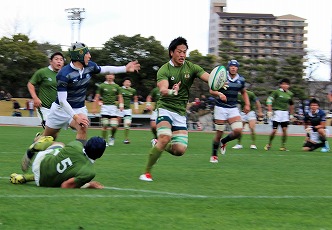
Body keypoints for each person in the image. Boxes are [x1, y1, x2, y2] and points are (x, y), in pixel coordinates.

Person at [21, 42, 140, 172]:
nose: (89, 55)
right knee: (48, 138)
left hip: (79, 108)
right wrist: (75, 117)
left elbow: (105, 69)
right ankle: (31, 151)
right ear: (79, 56)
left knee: (83, 126)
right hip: (60, 110)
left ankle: (78, 163)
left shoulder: (89, 66)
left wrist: (125, 68)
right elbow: (62, 101)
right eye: (87, 53)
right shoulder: (64, 74)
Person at [139, 37, 222, 182]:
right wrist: (173, 91)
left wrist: (218, 83)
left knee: (179, 150)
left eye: (184, 52)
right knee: (165, 137)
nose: (182, 55)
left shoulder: (191, 67)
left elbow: (209, 78)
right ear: (172, 52)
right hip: (165, 108)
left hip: (180, 113)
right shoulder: (164, 69)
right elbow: (163, 89)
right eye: (179, 51)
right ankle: (146, 173)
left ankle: (157, 144)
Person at [10, 136, 106, 189]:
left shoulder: (76, 145)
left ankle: (37, 143)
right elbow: (65, 186)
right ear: (100, 155)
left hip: (39, 163)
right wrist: (89, 184)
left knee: (59, 145)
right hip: (42, 182)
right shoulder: (90, 172)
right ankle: (37, 143)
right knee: (60, 149)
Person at [209, 60, 250, 163]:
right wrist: (219, 94)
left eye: (235, 66)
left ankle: (224, 141)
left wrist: (247, 104)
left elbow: (244, 92)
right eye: (231, 66)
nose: (233, 68)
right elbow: (211, 90)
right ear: (228, 67)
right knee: (219, 132)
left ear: (237, 68)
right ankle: (214, 155)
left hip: (233, 108)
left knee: (238, 131)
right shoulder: (222, 77)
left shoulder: (241, 80)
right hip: (220, 107)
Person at [27, 52, 65, 128]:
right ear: (50, 61)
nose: (59, 61)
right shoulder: (42, 72)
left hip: (58, 109)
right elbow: (30, 84)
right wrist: (35, 98)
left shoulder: (64, 74)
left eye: (61, 60)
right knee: (48, 128)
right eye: (56, 59)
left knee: (52, 133)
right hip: (44, 108)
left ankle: (38, 138)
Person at [92, 74, 123, 146]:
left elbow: (120, 97)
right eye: (108, 75)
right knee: (105, 124)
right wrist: (94, 108)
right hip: (105, 107)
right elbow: (97, 96)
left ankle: (112, 137)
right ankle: (103, 140)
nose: (110, 76)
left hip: (113, 108)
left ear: (114, 76)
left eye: (111, 75)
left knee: (114, 126)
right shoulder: (102, 86)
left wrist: (121, 105)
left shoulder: (117, 86)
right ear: (106, 76)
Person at [264, 78, 294, 151]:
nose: (285, 85)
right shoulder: (276, 92)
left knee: (284, 130)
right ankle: (269, 144)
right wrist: (270, 110)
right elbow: (269, 100)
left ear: (289, 85)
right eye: (283, 84)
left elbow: (291, 104)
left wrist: (291, 114)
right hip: (277, 112)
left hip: (285, 113)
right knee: (274, 131)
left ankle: (283, 146)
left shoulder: (290, 94)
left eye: (286, 84)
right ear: (280, 85)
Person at [119, 78, 139, 144]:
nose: (127, 83)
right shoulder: (120, 89)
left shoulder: (133, 90)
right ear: (123, 83)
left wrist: (136, 107)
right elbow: (119, 97)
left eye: (129, 82)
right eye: (126, 82)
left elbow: (135, 99)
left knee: (127, 124)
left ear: (130, 84)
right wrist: (121, 105)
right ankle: (112, 136)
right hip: (119, 109)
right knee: (115, 125)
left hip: (128, 109)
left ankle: (126, 139)